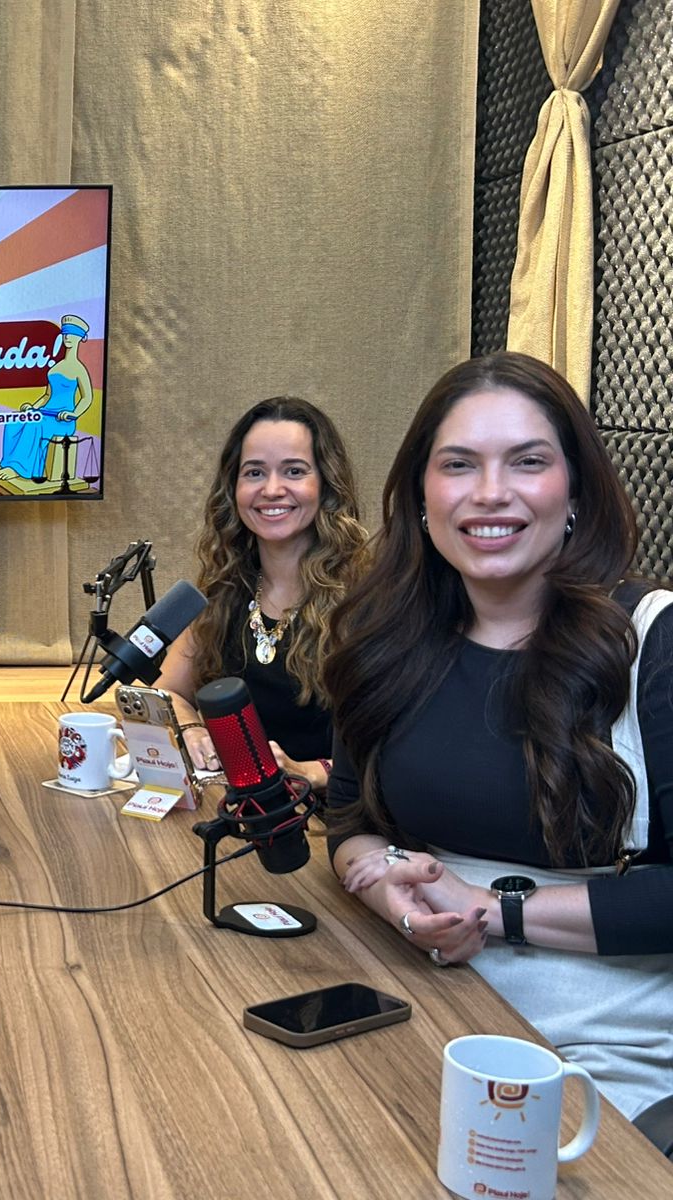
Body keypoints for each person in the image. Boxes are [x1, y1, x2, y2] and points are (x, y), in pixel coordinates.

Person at [323, 351, 673, 1123]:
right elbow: (349, 819)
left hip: (609, 1049)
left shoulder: (656, 640)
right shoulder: (384, 638)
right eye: (458, 464)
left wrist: (492, 910)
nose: (490, 493)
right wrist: (387, 887)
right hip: (414, 1000)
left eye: (528, 462)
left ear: (575, 489)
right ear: (420, 493)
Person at [157, 396, 368, 791]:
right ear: (233, 488)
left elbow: (395, 753)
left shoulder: (367, 599)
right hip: (238, 809)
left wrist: (307, 771)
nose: (272, 489)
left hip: (330, 824)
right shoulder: (224, 587)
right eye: (254, 472)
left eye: (294, 470)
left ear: (325, 485)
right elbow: (168, 692)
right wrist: (191, 729)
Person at [0, 314, 95, 482]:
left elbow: (87, 397)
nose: (67, 338)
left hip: (62, 419)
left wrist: (73, 414)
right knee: (14, 422)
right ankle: (10, 462)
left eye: (71, 334)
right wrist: (32, 407)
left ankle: (20, 469)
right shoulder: (56, 367)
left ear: (80, 338)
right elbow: (47, 395)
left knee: (34, 426)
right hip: (45, 412)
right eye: (65, 334)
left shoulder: (79, 369)